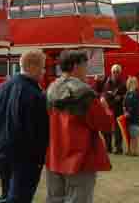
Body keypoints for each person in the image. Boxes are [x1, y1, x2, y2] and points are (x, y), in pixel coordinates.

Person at [46, 50, 114, 203]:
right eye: (85, 65)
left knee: (54, 199)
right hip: (80, 158)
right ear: (76, 66)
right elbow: (105, 124)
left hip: (55, 156)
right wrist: (105, 107)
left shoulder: (51, 89)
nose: (87, 70)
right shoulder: (84, 92)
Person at [0, 49, 49, 203]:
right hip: (25, 156)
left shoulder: (2, 87)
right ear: (32, 66)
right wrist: (40, 155)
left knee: (6, 194)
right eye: (43, 67)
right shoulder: (34, 94)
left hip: (2, 149)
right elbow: (39, 129)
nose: (44, 71)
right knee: (19, 197)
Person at [95, 64, 126, 154]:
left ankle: (118, 148)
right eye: (114, 71)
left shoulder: (123, 83)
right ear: (111, 72)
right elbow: (98, 90)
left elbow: (125, 95)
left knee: (118, 129)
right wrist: (97, 81)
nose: (115, 73)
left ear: (120, 73)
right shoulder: (106, 80)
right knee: (106, 129)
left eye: (117, 72)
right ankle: (108, 147)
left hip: (117, 108)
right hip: (106, 108)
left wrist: (120, 97)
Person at [123, 76, 139, 156]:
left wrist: (129, 112)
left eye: (133, 82)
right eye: (130, 82)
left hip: (134, 118)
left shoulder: (137, 94)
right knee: (128, 136)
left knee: (134, 135)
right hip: (127, 118)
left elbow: (135, 105)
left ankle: (135, 151)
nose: (132, 84)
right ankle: (129, 150)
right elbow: (124, 103)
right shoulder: (127, 93)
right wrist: (124, 110)